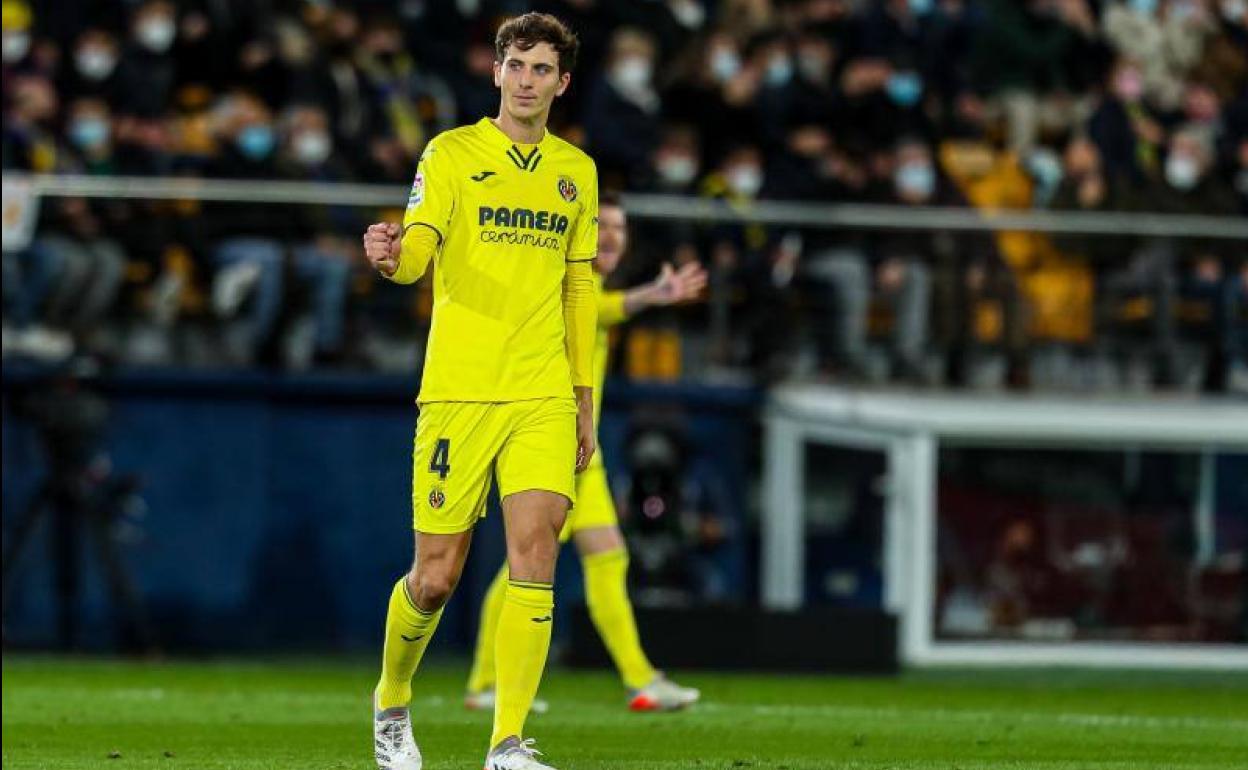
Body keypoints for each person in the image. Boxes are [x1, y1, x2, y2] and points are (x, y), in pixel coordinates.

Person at [361, 13, 598, 770]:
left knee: (536, 555)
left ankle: (507, 744)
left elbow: (577, 285)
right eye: (516, 65)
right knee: (436, 577)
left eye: (542, 70)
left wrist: (584, 395)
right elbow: (418, 251)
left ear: (562, 83)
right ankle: (392, 702)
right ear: (496, 72)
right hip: (460, 391)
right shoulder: (452, 153)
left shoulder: (577, 172)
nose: (527, 80)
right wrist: (390, 259)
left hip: (542, 391)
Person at [464, 192, 706, 714]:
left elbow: (604, 309)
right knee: (524, 568)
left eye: (621, 228)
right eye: (603, 226)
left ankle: (640, 679)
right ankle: (486, 683)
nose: (613, 236)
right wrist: (652, 295)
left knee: (608, 556)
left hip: (581, 455)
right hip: (549, 445)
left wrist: (650, 295)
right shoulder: (562, 281)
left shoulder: (589, 287)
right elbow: (603, 311)